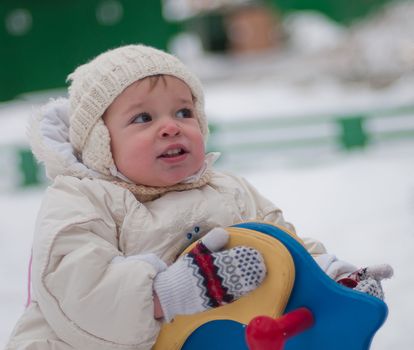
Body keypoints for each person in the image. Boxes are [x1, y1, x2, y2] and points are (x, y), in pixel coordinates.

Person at [6, 44, 392, 350]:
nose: (170, 127)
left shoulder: (228, 192)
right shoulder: (82, 200)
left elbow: (285, 250)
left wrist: (331, 278)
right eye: (143, 118)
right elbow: (77, 290)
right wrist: (168, 294)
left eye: (184, 111)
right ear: (99, 143)